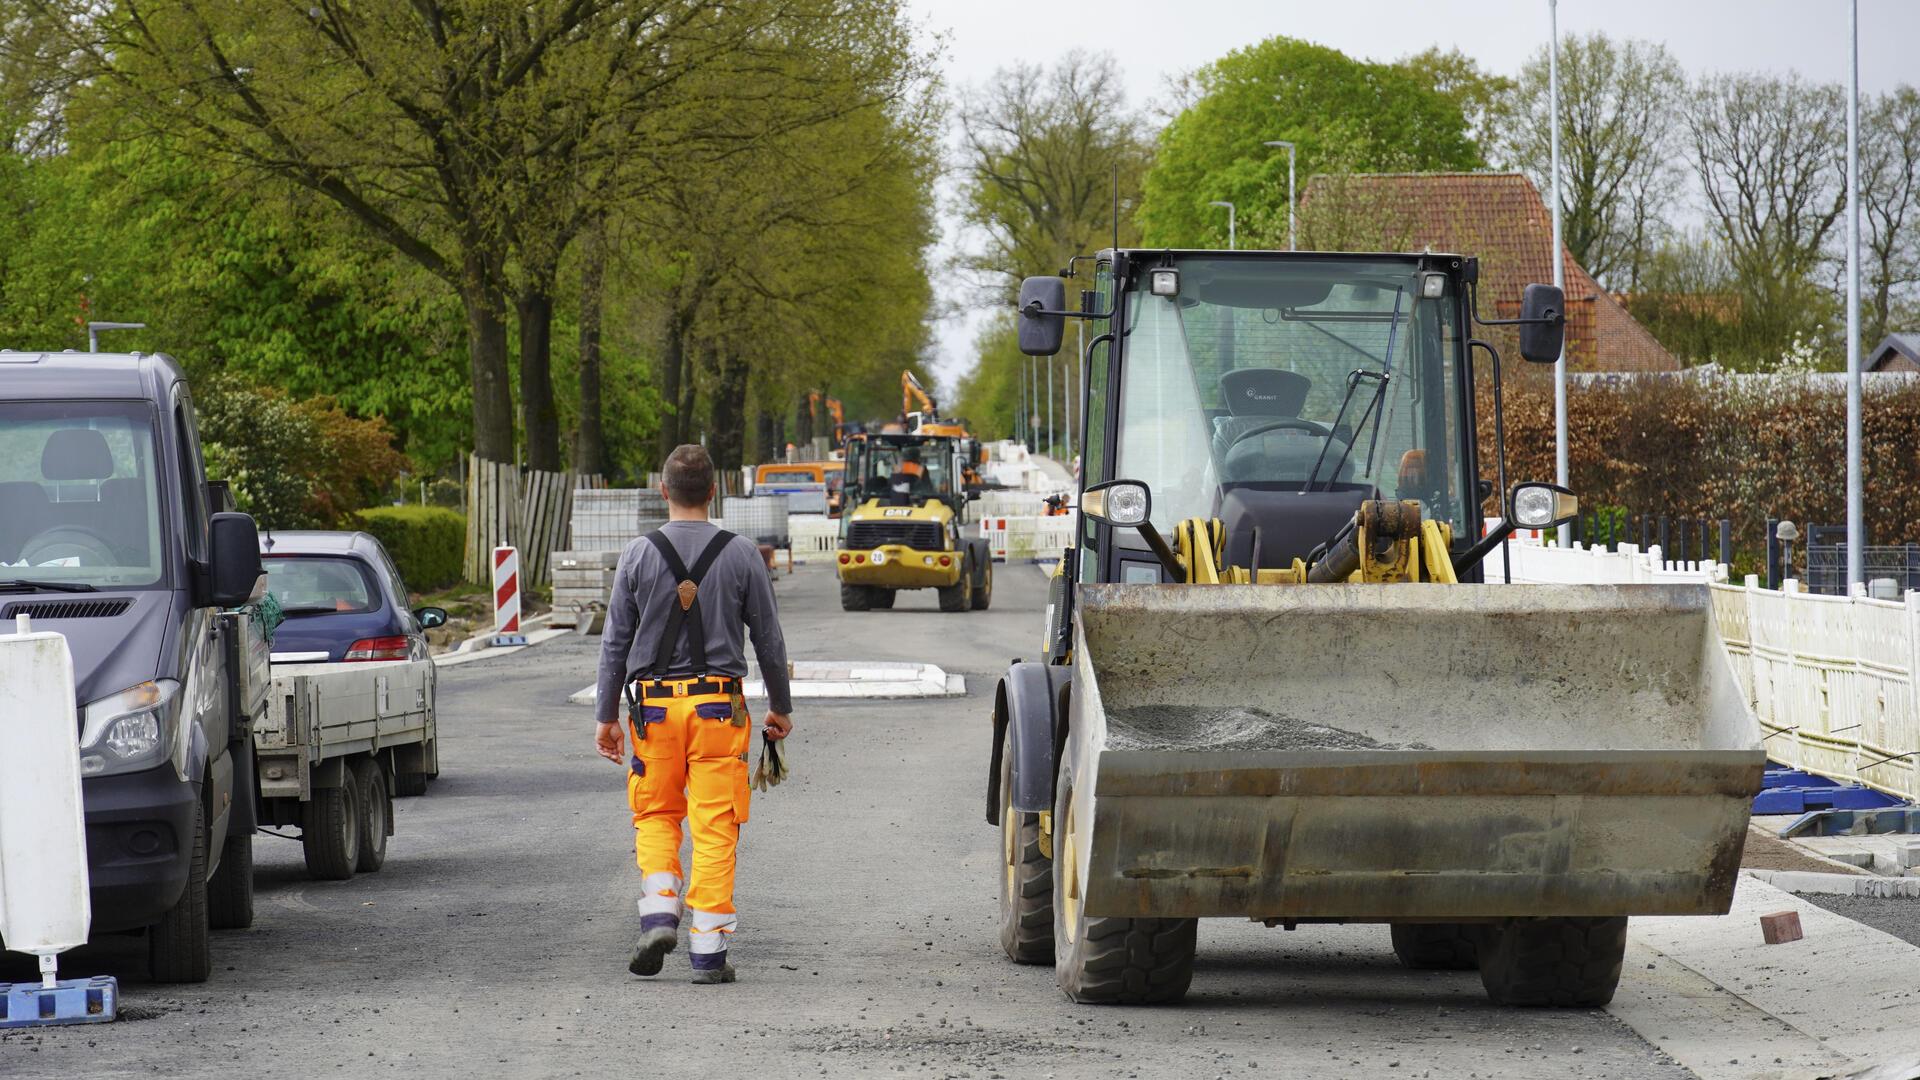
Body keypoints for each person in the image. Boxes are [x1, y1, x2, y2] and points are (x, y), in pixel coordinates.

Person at [594, 444, 793, 985]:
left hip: (652, 711)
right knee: (714, 823)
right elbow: (769, 639)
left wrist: (606, 715)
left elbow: (615, 641)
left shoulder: (637, 554)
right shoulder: (743, 553)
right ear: (713, 492)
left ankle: (660, 910)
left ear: (663, 492)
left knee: (656, 814)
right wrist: (780, 706)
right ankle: (707, 952)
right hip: (716, 711)